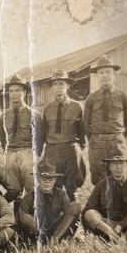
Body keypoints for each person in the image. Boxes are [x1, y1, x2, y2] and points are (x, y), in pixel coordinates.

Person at [37, 70, 86, 201]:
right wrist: (40, 152)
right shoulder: (47, 108)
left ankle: (74, 219)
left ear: (67, 86)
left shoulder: (77, 106)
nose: (58, 86)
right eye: (55, 84)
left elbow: (82, 129)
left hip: (71, 150)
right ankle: (57, 218)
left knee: (72, 189)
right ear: (52, 87)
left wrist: (79, 147)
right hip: (52, 152)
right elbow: (43, 132)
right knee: (55, 187)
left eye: (61, 83)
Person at [82, 55, 127, 185]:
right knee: (99, 178)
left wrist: (118, 138)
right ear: (97, 76)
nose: (105, 75)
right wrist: (94, 139)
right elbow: (85, 123)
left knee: (119, 176)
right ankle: (100, 205)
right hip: (97, 144)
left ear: (113, 74)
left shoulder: (122, 96)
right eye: (101, 72)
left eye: (108, 72)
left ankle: (119, 205)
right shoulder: (91, 98)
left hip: (117, 143)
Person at [82, 153, 127, 243]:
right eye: (115, 164)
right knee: (89, 214)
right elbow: (87, 210)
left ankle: (118, 240)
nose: (118, 167)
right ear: (110, 167)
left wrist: (121, 224)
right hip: (106, 227)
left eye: (121, 164)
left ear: (126, 167)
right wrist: (88, 233)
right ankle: (120, 241)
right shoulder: (101, 185)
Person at [16, 159, 80, 243]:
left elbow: (67, 216)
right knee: (25, 217)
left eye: (50, 179)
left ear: (55, 180)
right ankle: (44, 240)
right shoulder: (29, 197)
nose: (47, 182)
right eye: (44, 178)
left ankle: (54, 241)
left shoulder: (61, 194)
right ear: (37, 179)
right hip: (37, 231)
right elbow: (21, 220)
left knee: (75, 206)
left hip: (56, 230)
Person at [2, 74, 40, 196]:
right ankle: (17, 215)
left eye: (17, 90)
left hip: (28, 154)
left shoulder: (33, 114)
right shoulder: (4, 116)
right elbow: (2, 138)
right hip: (11, 155)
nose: (13, 94)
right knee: (14, 191)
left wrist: (34, 156)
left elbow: (41, 137)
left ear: (24, 92)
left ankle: (29, 215)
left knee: (31, 190)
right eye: (11, 91)